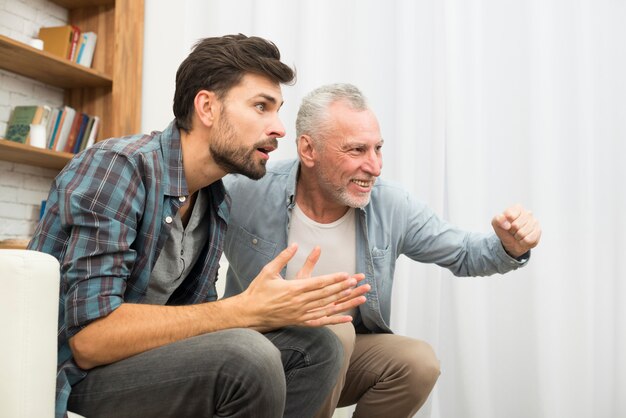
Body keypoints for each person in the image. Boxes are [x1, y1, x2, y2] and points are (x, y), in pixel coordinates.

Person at [28, 38, 370, 418]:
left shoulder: (214, 199)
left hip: (141, 362)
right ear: (207, 107)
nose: (278, 129)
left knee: (317, 347)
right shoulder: (118, 168)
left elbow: (198, 320)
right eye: (261, 106)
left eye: (278, 111)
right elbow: (90, 339)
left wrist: (276, 309)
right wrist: (245, 310)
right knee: (246, 356)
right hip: (73, 376)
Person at [223, 83, 542, 417]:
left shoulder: (390, 205)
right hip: (259, 350)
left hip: (341, 355)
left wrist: (509, 245)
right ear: (308, 149)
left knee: (417, 363)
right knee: (335, 330)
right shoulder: (246, 189)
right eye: (357, 150)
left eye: (378, 149)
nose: (374, 166)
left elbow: (464, 253)